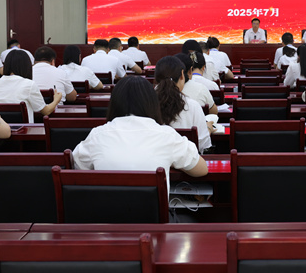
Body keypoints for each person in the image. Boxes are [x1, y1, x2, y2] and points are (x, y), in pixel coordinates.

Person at [71, 76, 207, 191]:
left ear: (114, 103)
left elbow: (77, 166)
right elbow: (202, 169)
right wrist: (169, 159)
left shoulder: (97, 135)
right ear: (152, 103)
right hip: (153, 216)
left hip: (105, 215)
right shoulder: (167, 135)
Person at [154, 56, 213, 153]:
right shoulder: (192, 106)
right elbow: (203, 145)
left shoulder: (147, 104)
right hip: (186, 160)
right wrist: (208, 128)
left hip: (155, 159)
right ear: (182, 75)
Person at [0, 49, 61, 122]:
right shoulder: (29, 85)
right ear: (27, 66)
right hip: (24, 128)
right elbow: (46, 111)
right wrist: (56, 100)